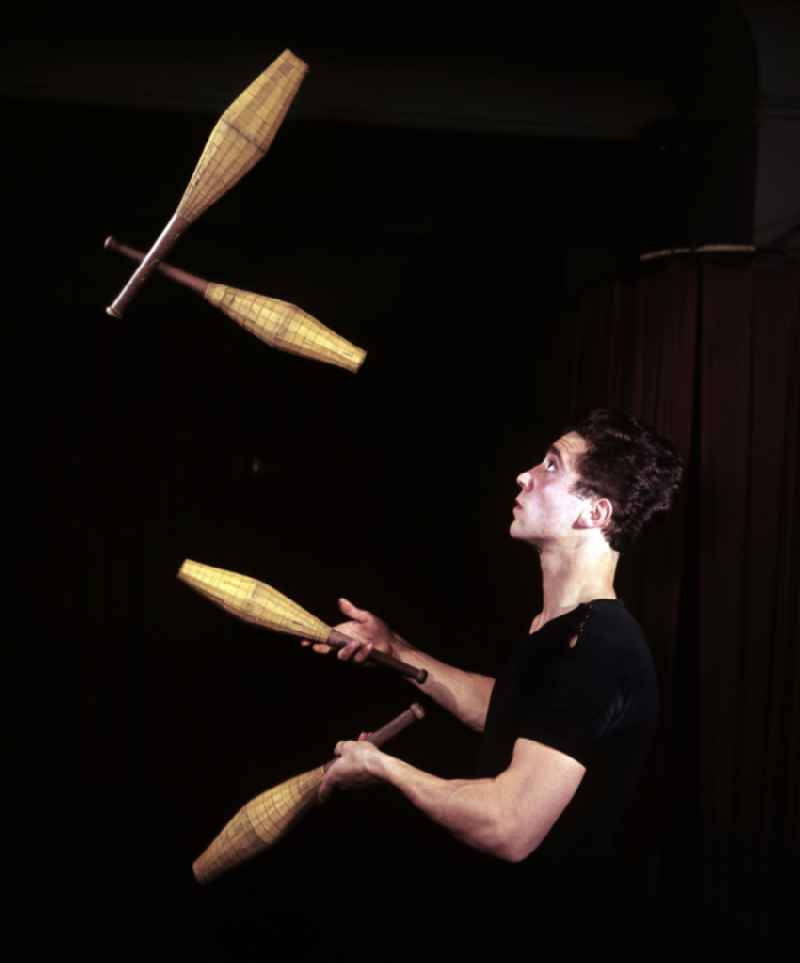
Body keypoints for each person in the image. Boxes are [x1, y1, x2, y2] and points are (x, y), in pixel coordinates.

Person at [306, 409, 682, 948]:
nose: (525, 475)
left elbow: (510, 827)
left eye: (552, 466)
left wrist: (382, 768)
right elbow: (513, 710)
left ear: (594, 512)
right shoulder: (557, 628)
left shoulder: (599, 650)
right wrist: (394, 650)